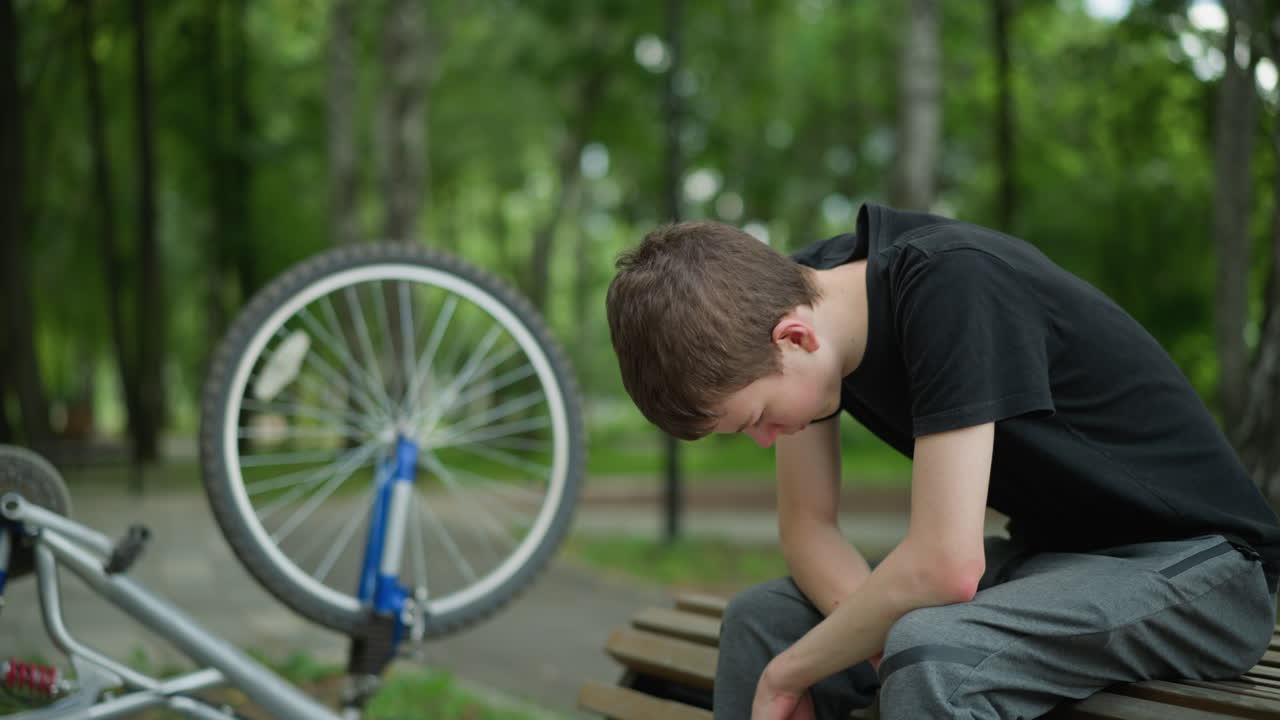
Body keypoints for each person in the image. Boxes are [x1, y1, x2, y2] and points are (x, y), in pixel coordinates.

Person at [604, 203, 1280, 720]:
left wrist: (794, 673)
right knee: (762, 621)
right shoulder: (800, 294)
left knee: (932, 656)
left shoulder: (951, 284)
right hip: (1055, 563)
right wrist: (851, 642)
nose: (762, 440)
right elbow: (807, 529)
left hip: (1204, 573)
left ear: (796, 337)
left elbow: (946, 567)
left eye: (755, 418)